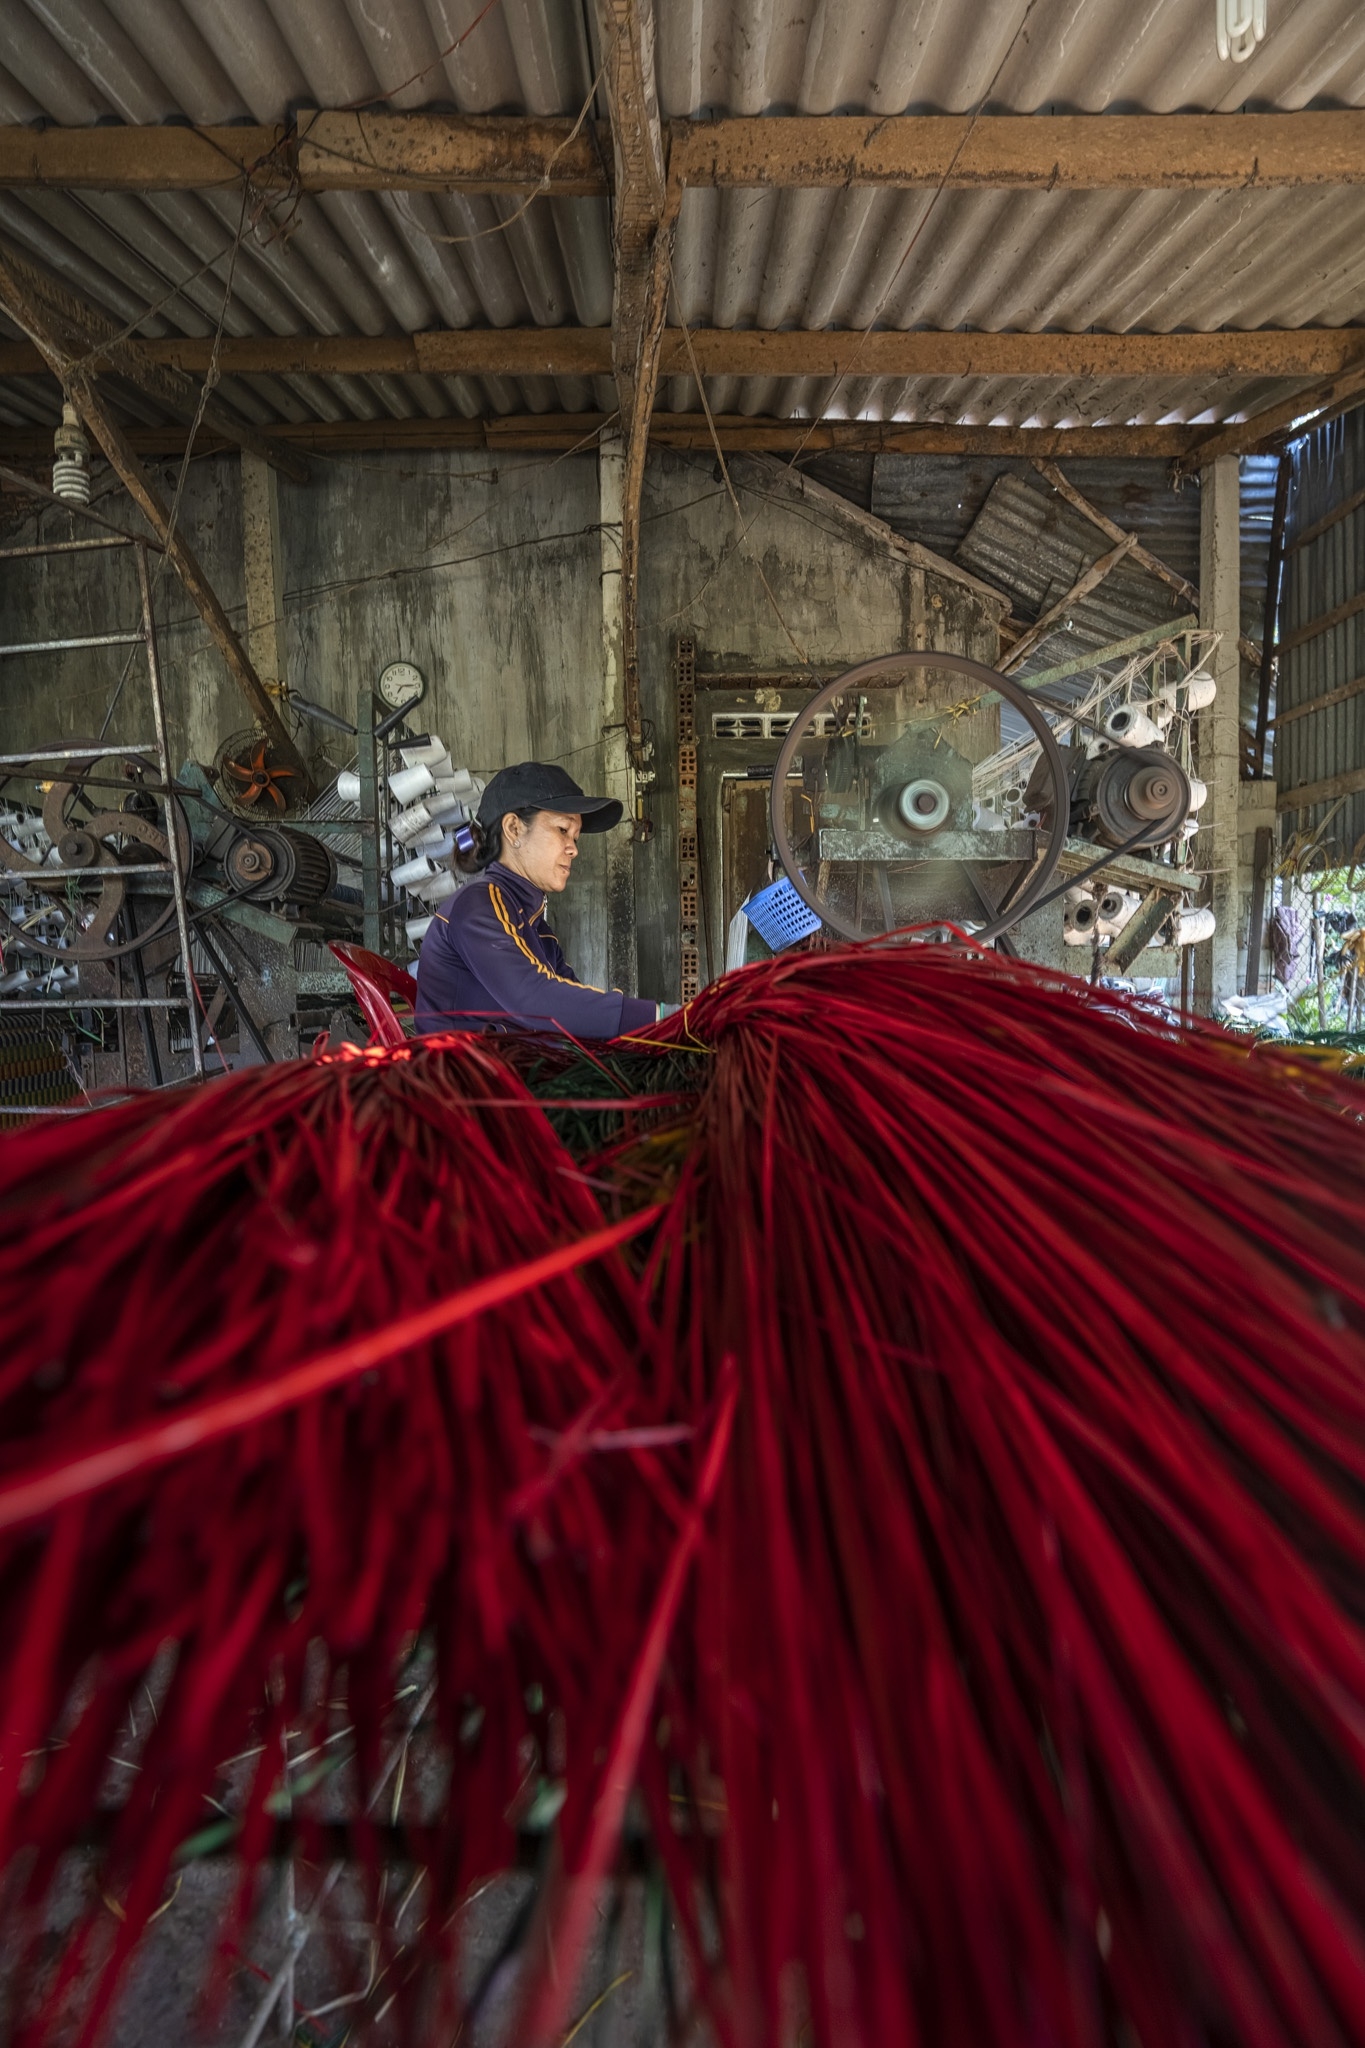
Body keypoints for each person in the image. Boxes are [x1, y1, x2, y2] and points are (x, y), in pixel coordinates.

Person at [414, 760, 675, 1037]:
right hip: (461, 1075)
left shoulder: (534, 925)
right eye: (563, 830)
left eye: (575, 837)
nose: (573, 849)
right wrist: (664, 1018)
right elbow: (535, 1000)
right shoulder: (478, 905)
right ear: (514, 829)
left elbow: (569, 1001)